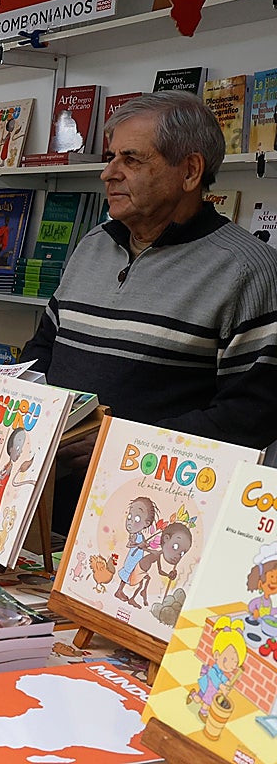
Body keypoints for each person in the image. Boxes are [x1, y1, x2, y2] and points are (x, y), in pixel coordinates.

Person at [21, 90, 277, 528]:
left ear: (191, 171)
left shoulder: (247, 270)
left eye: (131, 160)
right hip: (44, 499)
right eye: (110, 157)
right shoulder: (92, 246)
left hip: (153, 518)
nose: (108, 173)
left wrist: (119, 444)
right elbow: (42, 351)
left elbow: (250, 416)